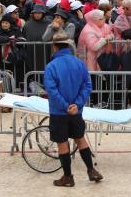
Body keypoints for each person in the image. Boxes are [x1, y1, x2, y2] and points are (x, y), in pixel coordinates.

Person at [43, 31, 102, 187]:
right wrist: (77, 104)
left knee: (62, 143)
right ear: (68, 45)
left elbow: (52, 90)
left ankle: (68, 177)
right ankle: (91, 170)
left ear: (54, 47)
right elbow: (87, 85)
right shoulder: (79, 63)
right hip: (77, 111)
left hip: (59, 112)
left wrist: (65, 106)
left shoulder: (51, 66)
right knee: (80, 139)